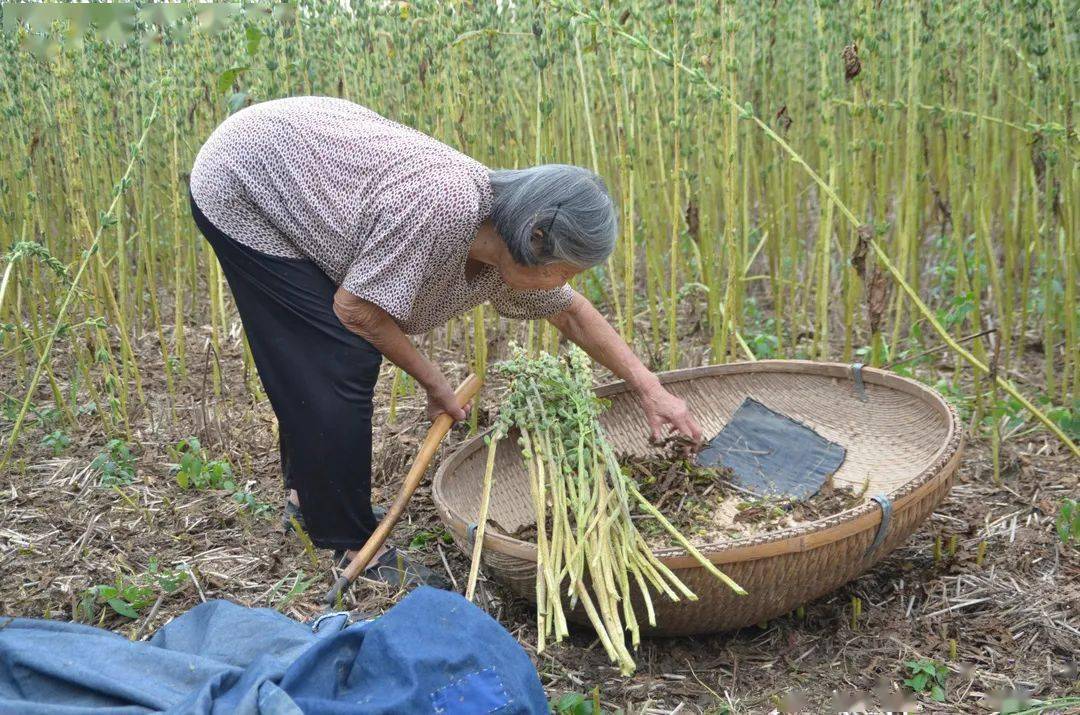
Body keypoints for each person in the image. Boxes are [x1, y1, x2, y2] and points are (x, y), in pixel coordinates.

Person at [188, 96, 702, 587]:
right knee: (339, 354)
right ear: (536, 237)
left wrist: (649, 388)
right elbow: (357, 309)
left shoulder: (505, 246)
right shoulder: (444, 211)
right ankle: (345, 540)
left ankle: (307, 496)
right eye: (563, 269)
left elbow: (572, 314)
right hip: (247, 177)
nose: (560, 282)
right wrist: (435, 384)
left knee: (327, 353)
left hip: (314, 166)